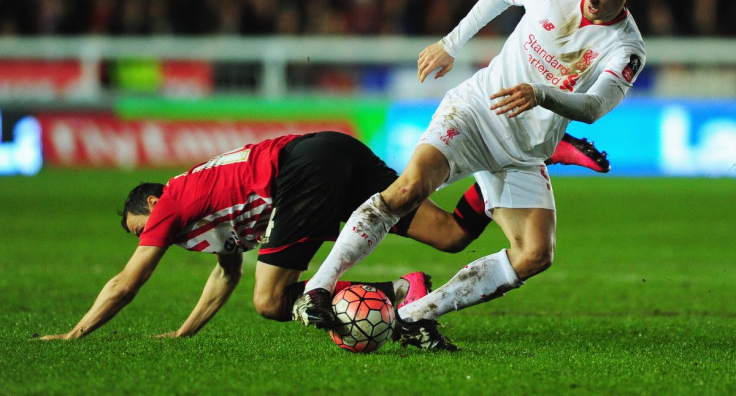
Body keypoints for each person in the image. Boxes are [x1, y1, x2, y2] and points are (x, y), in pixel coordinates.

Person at [293, 0, 649, 351]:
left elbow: (592, 107)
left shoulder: (626, 48)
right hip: (475, 113)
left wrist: (540, 94)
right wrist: (451, 43)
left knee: (535, 254)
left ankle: (414, 315)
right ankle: (317, 288)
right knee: (408, 189)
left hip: (522, 153)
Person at [38, 128, 605, 341]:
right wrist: (184, 334)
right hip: (327, 150)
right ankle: (526, 157)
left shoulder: (173, 203)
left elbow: (125, 284)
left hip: (299, 174)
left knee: (272, 302)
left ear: (153, 204)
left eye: (144, 228)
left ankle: (383, 301)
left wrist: (76, 333)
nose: (150, 238)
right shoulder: (201, 211)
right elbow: (224, 275)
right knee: (454, 235)